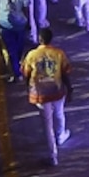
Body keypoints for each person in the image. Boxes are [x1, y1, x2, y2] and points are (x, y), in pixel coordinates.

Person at [23, 29, 69, 164]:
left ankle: (53, 155)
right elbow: (65, 72)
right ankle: (61, 136)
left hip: (40, 93)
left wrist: (29, 88)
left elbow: (26, 73)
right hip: (57, 90)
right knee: (60, 114)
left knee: (47, 124)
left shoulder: (32, 55)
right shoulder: (58, 53)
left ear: (39, 39)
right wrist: (69, 89)